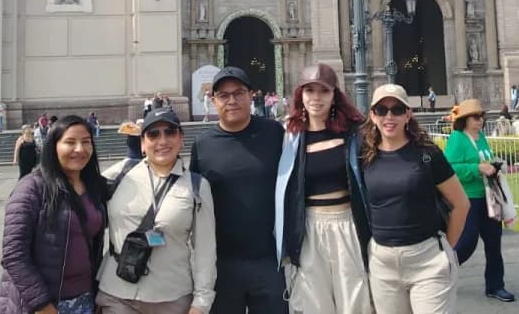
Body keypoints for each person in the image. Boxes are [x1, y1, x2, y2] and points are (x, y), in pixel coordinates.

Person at [357, 84, 469, 313]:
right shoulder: (364, 156)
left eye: (397, 109)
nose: (389, 116)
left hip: (427, 260)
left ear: (408, 114)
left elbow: (461, 204)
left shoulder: (427, 154)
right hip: (382, 262)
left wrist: (446, 246)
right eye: (381, 110)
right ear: (372, 115)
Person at [97, 107, 216, 313]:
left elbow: (205, 250)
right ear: (142, 143)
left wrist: (201, 303)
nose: (162, 141)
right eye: (153, 134)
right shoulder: (120, 174)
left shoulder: (197, 186)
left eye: (170, 132)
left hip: (171, 296)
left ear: (181, 138)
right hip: (117, 294)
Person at [274, 64, 371, 313]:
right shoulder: (290, 137)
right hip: (309, 229)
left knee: (355, 299)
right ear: (300, 96)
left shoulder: (353, 135)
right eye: (309, 91)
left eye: (323, 91)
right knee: (314, 303)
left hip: (347, 224)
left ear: (334, 95)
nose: (316, 98)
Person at [190, 66, 287, 314]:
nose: (231, 100)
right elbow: (194, 201)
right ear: (213, 101)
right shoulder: (202, 145)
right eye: (223, 95)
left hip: (270, 262)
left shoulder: (274, 133)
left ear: (251, 95)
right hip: (221, 264)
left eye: (238, 93)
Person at [0, 115, 107, 314]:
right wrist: (44, 306)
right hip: (40, 305)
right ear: (53, 146)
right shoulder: (31, 188)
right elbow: (14, 255)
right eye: (70, 142)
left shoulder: (95, 186)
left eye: (86, 142)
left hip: (85, 300)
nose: (80, 149)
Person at [444, 99, 516, 302]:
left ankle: (495, 285)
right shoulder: (457, 139)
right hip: (468, 199)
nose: (480, 120)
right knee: (467, 243)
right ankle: (441, 272)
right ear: (465, 120)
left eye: (482, 116)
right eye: (476, 117)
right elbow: (450, 168)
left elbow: (484, 160)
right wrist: (477, 168)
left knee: (494, 242)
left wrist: (492, 166)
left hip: (488, 197)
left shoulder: (481, 137)